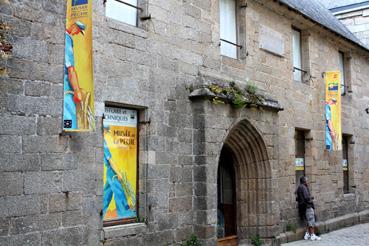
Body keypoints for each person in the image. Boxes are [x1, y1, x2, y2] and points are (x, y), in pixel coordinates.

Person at [102, 126, 135, 219]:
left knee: (107, 193)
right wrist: (119, 173)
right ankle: (124, 213)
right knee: (118, 190)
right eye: (105, 131)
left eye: (106, 132)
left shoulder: (102, 141)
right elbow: (110, 160)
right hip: (111, 170)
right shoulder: (103, 142)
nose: (105, 133)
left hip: (110, 170)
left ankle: (100, 210)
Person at [63, 21, 85, 129]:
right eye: (78, 31)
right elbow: (70, 68)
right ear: (74, 27)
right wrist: (77, 90)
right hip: (66, 87)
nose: (77, 34)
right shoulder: (67, 39)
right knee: (70, 117)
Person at [295, 176, 321, 241]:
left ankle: (307, 234)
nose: (307, 182)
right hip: (307, 206)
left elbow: (298, 198)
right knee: (311, 220)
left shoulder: (299, 187)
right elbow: (306, 197)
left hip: (303, 207)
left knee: (309, 221)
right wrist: (311, 199)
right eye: (306, 180)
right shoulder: (303, 187)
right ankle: (312, 235)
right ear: (304, 181)